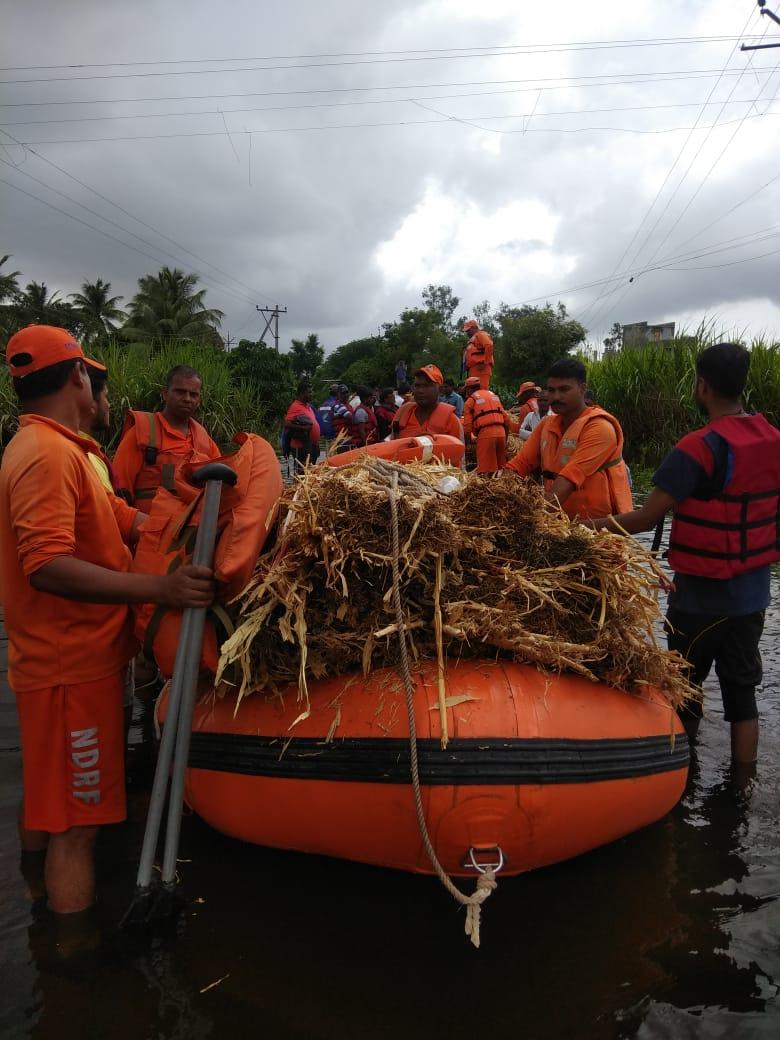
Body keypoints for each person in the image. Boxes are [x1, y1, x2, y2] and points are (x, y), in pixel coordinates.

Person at [0, 325, 214, 917]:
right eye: (94, 378)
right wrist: (160, 587)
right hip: (73, 667)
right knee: (78, 827)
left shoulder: (65, 449)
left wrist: (164, 530)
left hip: (63, 660)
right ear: (75, 378)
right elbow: (46, 564)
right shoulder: (45, 455)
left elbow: (113, 516)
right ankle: (73, 964)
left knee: (48, 803)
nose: (103, 394)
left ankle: (34, 899)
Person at [593, 343, 780, 764]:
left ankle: (683, 779)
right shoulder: (774, 439)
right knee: (742, 695)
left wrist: (581, 527)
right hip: (752, 596)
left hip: (698, 595)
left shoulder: (698, 447)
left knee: (685, 689)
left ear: (702, 386)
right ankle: (741, 790)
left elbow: (644, 519)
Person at [505, 358, 632, 520]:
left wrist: (531, 520)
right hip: (560, 523)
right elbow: (519, 464)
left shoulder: (600, 428)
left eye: (564, 389)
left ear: (582, 389)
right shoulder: (546, 425)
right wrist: (497, 494)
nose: (556, 397)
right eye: (551, 390)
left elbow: (568, 480)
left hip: (599, 531)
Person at [112, 364, 220, 511]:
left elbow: (220, 489)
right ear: (164, 393)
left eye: (193, 394)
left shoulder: (205, 441)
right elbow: (118, 490)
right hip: (147, 530)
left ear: (199, 400)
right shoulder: (142, 433)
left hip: (194, 529)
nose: (187, 399)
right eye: (180, 392)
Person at [391, 365, 464, 443]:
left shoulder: (452, 421)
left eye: (427, 385)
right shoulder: (402, 415)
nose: (420, 390)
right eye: (417, 386)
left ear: (440, 389)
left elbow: (459, 453)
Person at [461, 376, 516, 474]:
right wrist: (505, 438)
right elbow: (507, 420)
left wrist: (467, 443)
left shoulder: (470, 401)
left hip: (486, 435)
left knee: (486, 473)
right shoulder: (493, 396)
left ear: (469, 389)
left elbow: (467, 427)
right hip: (501, 433)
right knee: (501, 470)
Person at [283, 380, 321, 468]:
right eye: (309, 392)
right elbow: (287, 424)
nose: (312, 394)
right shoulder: (295, 406)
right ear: (301, 393)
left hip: (310, 446)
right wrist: (304, 428)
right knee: (301, 474)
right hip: (300, 447)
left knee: (310, 474)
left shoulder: (308, 406)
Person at [462, 319, 494, 389]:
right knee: (474, 393)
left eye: (468, 330)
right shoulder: (473, 339)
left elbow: (489, 345)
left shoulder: (480, 334)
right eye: (466, 331)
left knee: (481, 391)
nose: (467, 333)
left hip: (481, 369)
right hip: (474, 370)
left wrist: (486, 363)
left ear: (475, 328)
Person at [331, 384, 354, 448]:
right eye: (343, 393)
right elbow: (350, 417)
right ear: (338, 395)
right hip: (342, 440)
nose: (346, 395)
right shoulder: (337, 406)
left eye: (347, 392)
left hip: (349, 438)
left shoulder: (349, 406)